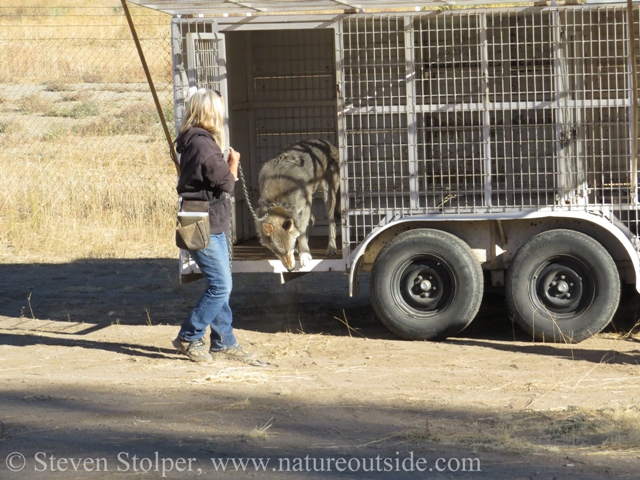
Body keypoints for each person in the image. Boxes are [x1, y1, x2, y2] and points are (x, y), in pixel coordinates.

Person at [172, 88, 255, 363]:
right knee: (221, 286)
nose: (222, 115)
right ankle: (189, 336)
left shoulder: (194, 140)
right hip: (203, 222)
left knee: (220, 284)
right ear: (210, 112)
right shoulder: (204, 145)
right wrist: (234, 162)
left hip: (206, 221)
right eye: (219, 109)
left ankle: (224, 342)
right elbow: (228, 184)